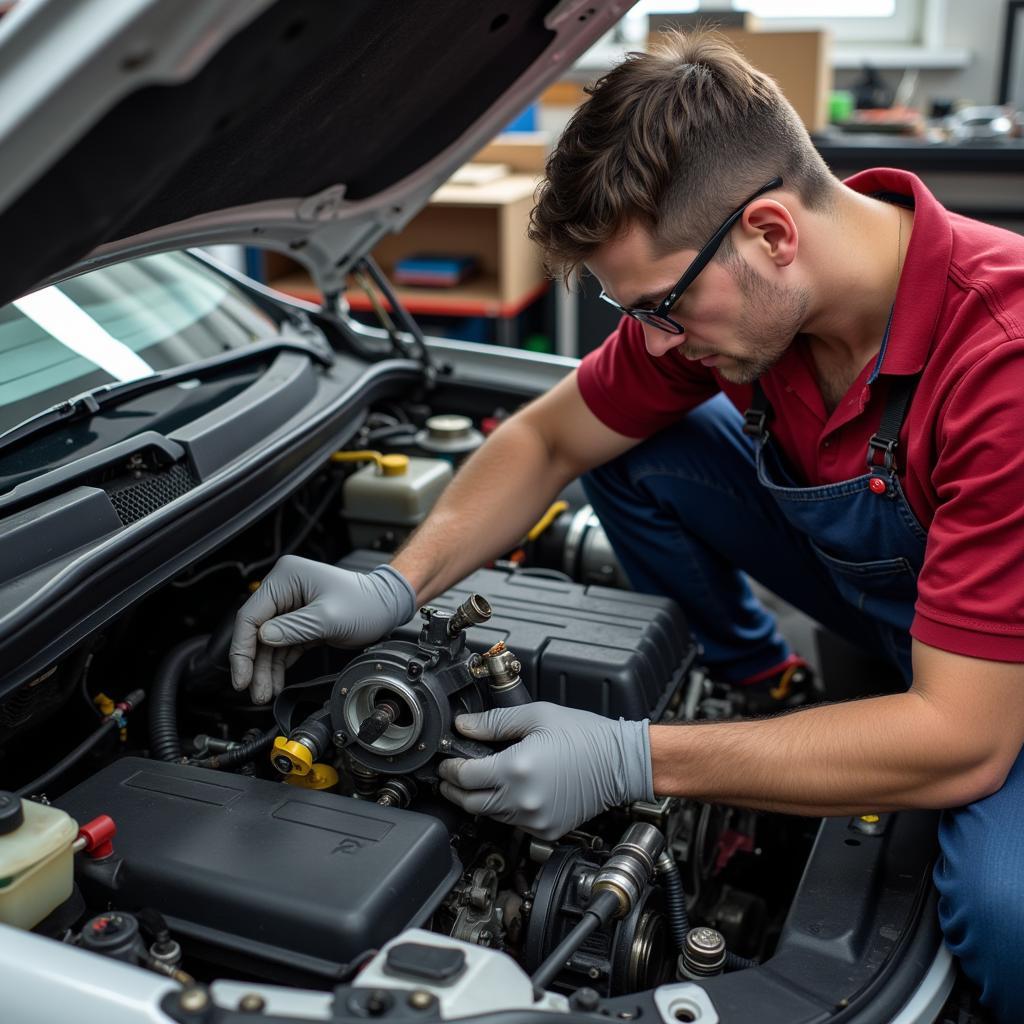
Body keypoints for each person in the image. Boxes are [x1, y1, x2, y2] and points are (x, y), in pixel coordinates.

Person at [228, 31, 1024, 1021]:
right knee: (632, 443)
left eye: (662, 308)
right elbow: (548, 440)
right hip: (898, 599)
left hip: (996, 682)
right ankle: (767, 684)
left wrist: (629, 756)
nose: (655, 342)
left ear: (771, 232)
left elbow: (963, 739)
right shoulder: (749, 294)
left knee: (1003, 913)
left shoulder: (1001, 363)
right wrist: (400, 582)